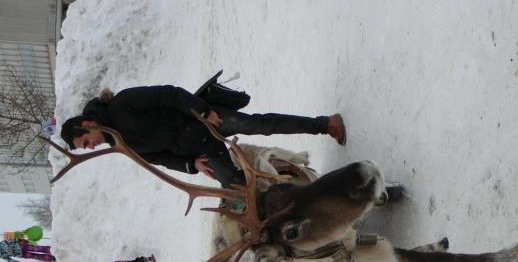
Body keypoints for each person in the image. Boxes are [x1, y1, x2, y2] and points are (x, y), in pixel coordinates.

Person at [59, 75, 347, 188]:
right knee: (234, 185)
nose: (89, 146)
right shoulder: (122, 146)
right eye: (84, 148)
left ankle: (324, 124)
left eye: (85, 141)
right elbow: (158, 158)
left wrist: (204, 111)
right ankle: (294, 182)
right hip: (198, 151)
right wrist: (190, 164)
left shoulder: (122, 103)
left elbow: (168, 94)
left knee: (261, 125)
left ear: (87, 124)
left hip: (202, 120)